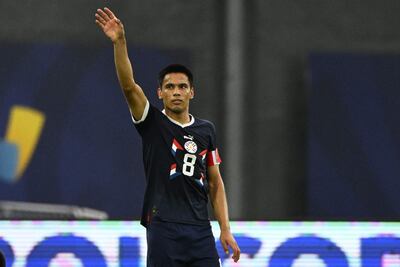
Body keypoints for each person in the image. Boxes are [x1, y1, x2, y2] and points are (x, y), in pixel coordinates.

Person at [95, 7, 240, 266]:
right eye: (169, 87)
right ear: (160, 93)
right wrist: (120, 42)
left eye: (182, 87)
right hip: (163, 225)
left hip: (199, 229)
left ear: (192, 92)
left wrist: (225, 229)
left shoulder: (206, 130)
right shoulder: (152, 122)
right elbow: (129, 87)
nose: (176, 92)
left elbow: (215, 183)